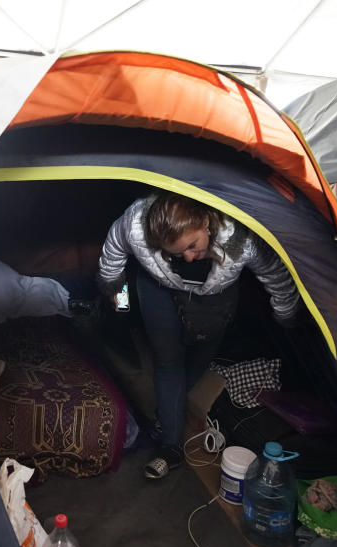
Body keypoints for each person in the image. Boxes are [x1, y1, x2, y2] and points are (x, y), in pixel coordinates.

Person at [97, 192, 300, 479]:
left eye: (193, 246)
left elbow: (276, 276)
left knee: (203, 354)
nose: (189, 257)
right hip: (160, 289)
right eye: (177, 253)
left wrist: (286, 315)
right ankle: (169, 444)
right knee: (169, 362)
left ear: (205, 222)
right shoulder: (136, 224)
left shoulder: (238, 239)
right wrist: (116, 294)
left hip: (215, 297)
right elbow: (113, 254)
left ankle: (168, 411)